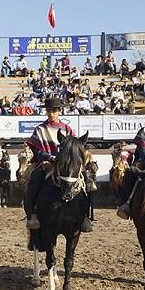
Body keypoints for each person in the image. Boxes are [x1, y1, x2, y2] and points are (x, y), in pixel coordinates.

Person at [25, 97, 92, 233]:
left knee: (87, 179)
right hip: (47, 162)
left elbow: (74, 147)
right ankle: (33, 213)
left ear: (59, 111)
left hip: (66, 165)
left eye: (54, 111)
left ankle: (85, 215)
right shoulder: (40, 129)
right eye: (49, 111)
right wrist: (51, 157)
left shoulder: (67, 129)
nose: (51, 113)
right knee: (36, 176)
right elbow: (38, 151)